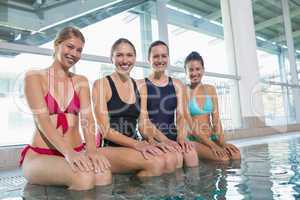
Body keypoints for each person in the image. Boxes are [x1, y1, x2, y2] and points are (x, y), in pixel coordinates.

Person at [20, 26, 112, 190]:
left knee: (104, 175)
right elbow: (42, 121)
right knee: (83, 178)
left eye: (79, 50)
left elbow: (87, 118)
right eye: (70, 47)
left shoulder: (81, 81)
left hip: (77, 150)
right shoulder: (34, 77)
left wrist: (91, 150)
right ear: (57, 45)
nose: (74, 54)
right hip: (41, 155)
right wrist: (69, 153)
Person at [92, 38, 168, 177]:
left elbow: (144, 123)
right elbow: (105, 131)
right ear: (112, 58)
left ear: (135, 58)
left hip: (133, 146)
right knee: (155, 162)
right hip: (108, 148)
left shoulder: (140, 87)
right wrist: (137, 145)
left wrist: (152, 141)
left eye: (129, 55)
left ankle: (134, 190)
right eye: (119, 55)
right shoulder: (102, 85)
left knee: (169, 159)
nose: (125, 60)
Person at [138, 40, 199, 168]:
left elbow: (181, 116)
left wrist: (181, 137)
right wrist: (163, 141)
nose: (160, 60)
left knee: (191, 154)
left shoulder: (177, 84)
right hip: (152, 138)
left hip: (174, 137)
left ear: (168, 58)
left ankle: (193, 188)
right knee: (174, 158)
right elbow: (144, 122)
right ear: (148, 59)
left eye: (164, 56)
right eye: (156, 56)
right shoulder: (141, 84)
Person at [184, 51, 241, 161]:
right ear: (186, 71)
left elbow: (216, 120)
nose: (194, 73)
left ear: (203, 70)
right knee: (223, 159)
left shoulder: (210, 89)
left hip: (212, 137)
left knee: (236, 155)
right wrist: (212, 145)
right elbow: (190, 126)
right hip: (194, 139)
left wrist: (222, 142)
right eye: (191, 70)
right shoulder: (184, 91)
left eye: (197, 69)